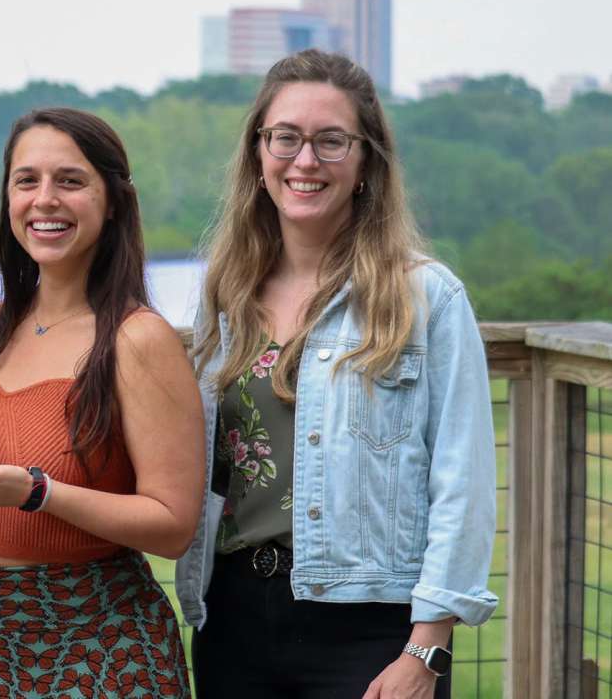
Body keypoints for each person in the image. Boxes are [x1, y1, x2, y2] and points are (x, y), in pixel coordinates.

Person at [175, 49, 498, 699]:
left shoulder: (425, 298)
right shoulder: (226, 297)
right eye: (286, 138)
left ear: (365, 161)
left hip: (373, 633)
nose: (304, 161)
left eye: (330, 142)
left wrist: (425, 653)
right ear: (258, 153)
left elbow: (463, 484)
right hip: (235, 620)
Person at [0, 108, 203, 698]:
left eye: (70, 181)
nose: (45, 200)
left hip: (95, 647)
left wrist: (39, 492)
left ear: (114, 200)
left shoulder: (138, 338)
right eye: (27, 181)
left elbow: (173, 527)